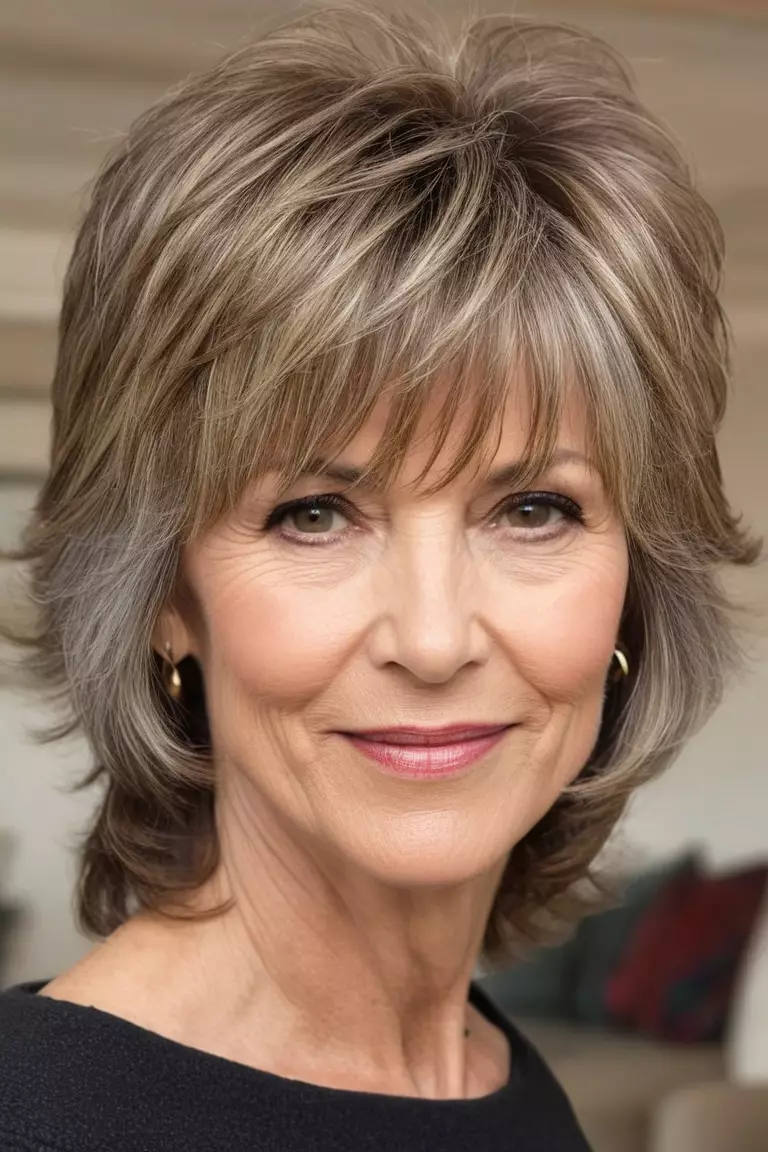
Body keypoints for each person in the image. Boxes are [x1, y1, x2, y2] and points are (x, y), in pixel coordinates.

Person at [0, 5, 759, 1151]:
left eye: (533, 508)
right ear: (166, 599)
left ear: (635, 587)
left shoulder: (509, 1093)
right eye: (314, 514)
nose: (437, 634)